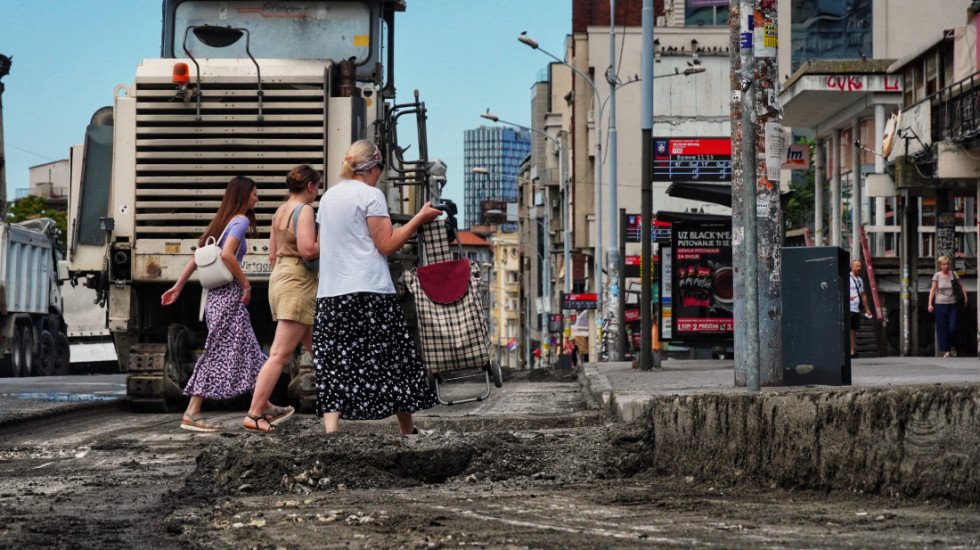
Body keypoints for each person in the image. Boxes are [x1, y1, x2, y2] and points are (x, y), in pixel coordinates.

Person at [313, 140, 442, 434]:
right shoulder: (371, 195)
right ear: (373, 167)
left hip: (331, 294)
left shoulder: (329, 197)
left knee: (334, 361)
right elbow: (387, 245)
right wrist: (418, 219)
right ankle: (407, 430)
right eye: (380, 168)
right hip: (370, 291)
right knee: (392, 358)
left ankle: (331, 432)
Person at [161, 176, 275, 432]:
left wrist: (178, 286)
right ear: (244, 195)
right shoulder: (241, 221)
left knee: (250, 350)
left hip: (216, 299)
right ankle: (192, 412)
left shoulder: (223, 221)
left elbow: (198, 256)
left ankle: (265, 404)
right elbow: (225, 255)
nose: (258, 198)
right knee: (216, 354)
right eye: (255, 194)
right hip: (228, 298)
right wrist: (246, 284)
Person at [241, 165, 322, 433]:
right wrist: (331, 237)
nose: (318, 191)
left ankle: (346, 400)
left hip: (281, 278)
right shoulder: (305, 210)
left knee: (319, 349)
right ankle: (254, 413)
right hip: (297, 281)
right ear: (310, 186)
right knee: (278, 354)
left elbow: (272, 255)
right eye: (317, 186)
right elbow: (308, 250)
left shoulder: (279, 211)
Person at [928, 255, 967, 358]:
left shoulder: (954, 274)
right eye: (944, 264)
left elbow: (961, 286)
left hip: (953, 304)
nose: (946, 266)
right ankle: (946, 350)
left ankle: (953, 346)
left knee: (952, 327)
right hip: (940, 304)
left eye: (947, 264)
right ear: (940, 265)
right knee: (942, 328)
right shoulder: (937, 276)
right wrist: (930, 304)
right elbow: (933, 290)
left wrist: (965, 298)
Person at [848, 259, 871, 359]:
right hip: (849, 308)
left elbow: (863, 295)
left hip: (856, 308)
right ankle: (848, 350)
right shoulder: (848, 278)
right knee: (848, 330)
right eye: (857, 266)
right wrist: (848, 297)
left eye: (860, 266)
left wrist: (867, 309)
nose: (859, 268)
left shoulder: (860, 280)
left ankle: (852, 351)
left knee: (854, 331)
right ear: (852, 267)